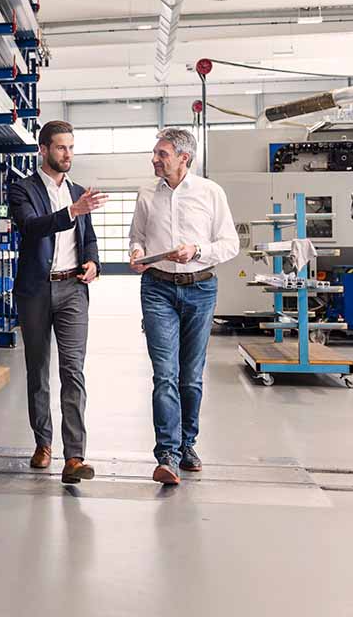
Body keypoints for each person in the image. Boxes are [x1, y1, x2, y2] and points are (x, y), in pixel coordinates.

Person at [128, 127, 240, 486]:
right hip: (157, 288)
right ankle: (167, 455)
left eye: (162, 154)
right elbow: (138, 236)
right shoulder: (147, 194)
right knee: (164, 374)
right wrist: (136, 253)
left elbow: (230, 244)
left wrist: (197, 251)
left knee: (190, 376)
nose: (155, 159)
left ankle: (188, 444)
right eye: (155, 153)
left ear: (183, 158)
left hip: (200, 288)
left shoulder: (210, 193)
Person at [8, 121, 108, 484]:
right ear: (44, 149)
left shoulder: (78, 192)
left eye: (71, 147)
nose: (68, 154)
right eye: (61, 148)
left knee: (73, 371)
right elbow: (31, 227)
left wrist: (94, 262)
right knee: (38, 371)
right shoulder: (22, 189)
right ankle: (43, 442)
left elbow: (90, 238)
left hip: (72, 290)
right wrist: (71, 212)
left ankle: (75, 456)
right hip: (35, 289)